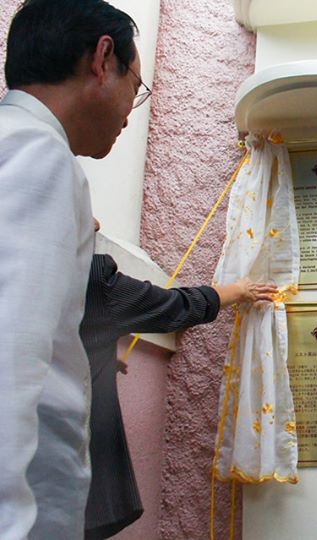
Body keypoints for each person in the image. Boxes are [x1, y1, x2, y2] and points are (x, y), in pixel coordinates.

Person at [0, 1, 145, 537]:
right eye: (136, 86)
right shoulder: (39, 154)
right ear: (102, 61)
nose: (130, 111)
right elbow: (9, 355)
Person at [81, 245, 276, 539]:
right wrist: (237, 291)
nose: (96, 225)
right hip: (64, 466)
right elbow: (174, 305)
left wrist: (95, 354)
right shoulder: (87, 276)